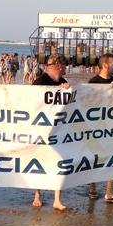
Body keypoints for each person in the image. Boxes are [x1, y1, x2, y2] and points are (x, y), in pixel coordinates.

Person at [31, 54, 69, 211]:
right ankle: (37, 195)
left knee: (58, 162)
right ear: (59, 66)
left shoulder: (63, 82)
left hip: (58, 129)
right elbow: (31, 103)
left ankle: (57, 199)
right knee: (39, 162)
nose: (67, 67)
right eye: (65, 65)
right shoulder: (40, 82)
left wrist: (67, 90)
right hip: (41, 128)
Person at [87, 54, 113, 203]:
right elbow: (87, 103)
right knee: (94, 157)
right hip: (96, 126)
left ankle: (109, 192)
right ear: (106, 65)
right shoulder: (93, 82)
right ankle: (92, 188)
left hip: (111, 126)